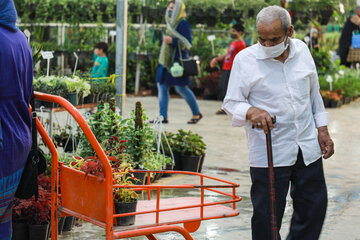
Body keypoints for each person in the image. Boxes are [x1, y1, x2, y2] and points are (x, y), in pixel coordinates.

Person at [223, 6, 334, 240]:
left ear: (289, 32)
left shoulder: (303, 51)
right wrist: (251, 111)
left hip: (306, 146)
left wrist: (322, 128)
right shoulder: (246, 60)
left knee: (314, 207)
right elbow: (231, 102)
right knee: (267, 218)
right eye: (262, 39)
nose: (267, 45)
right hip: (269, 151)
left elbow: (313, 93)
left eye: (274, 39)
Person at [0, 0, 33, 239]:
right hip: (19, 140)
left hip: (2, 140)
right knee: (4, 215)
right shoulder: (21, 40)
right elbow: (29, 90)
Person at [154, 0, 202, 124]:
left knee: (181, 88)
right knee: (162, 86)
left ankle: (196, 113)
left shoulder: (183, 24)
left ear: (179, 10)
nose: (170, 10)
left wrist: (173, 41)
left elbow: (187, 43)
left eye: (173, 8)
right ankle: (162, 116)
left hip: (176, 62)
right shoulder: (169, 23)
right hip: (165, 61)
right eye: (169, 8)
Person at [210, 23, 246, 115]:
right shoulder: (234, 43)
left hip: (232, 69)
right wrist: (216, 59)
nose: (232, 33)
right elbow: (227, 55)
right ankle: (225, 107)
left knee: (227, 89)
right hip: (226, 67)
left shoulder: (241, 44)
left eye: (234, 31)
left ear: (240, 32)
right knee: (223, 87)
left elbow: (242, 58)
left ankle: (226, 108)